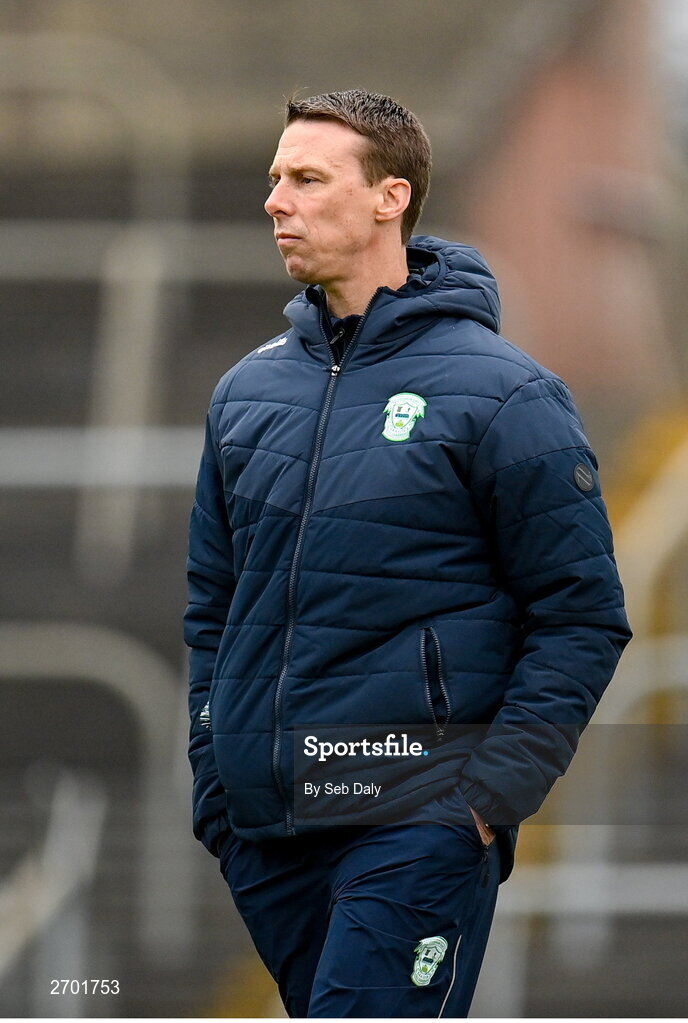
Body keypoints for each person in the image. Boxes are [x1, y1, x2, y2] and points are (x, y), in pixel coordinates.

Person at [184, 89, 632, 1018]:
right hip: (268, 829)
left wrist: (483, 799)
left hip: (417, 815)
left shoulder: (507, 395)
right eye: (275, 179)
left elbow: (581, 615)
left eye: (307, 178)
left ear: (391, 198)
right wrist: (216, 781)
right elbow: (212, 606)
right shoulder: (244, 393)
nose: (277, 200)